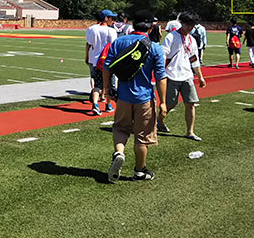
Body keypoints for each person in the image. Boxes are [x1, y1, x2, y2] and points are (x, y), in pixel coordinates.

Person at [103, 9, 167, 182]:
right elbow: (161, 76)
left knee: (120, 128)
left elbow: (107, 66)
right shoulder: (154, 47)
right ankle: (140, 170)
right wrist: (163, 102)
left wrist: (107, 88)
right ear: (151, 26)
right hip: (145, 97)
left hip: (123, 96)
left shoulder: (119, 42)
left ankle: (119, 152)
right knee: (142, 136)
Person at [157, 11, 207, 141]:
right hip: (172, 75)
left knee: (190, 103)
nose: (189, 28)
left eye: (192, 25)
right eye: (187, 24)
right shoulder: (172, 37)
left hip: (187, 76)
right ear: (182, 23)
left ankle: (190, 132)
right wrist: (161, 74)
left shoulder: (192, 40)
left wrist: (200, 76)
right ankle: (159, 121)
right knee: (169, 104)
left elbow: (194, 60)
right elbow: (163, 55)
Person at [85, 9, 118, 116]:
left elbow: (89, 43)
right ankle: (108, 105)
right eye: (112, 18)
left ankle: (95, 104)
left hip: (95, 60)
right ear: (106, 18)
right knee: (109, 84)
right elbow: (113, 46)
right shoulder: (111, 31)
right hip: (108, 61)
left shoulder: (92, 29)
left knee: (97, 84)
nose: (113, 21)